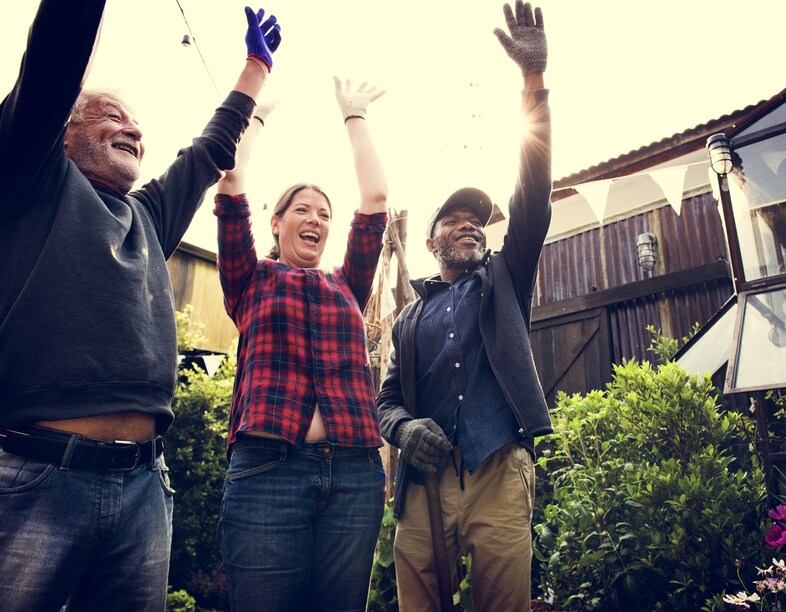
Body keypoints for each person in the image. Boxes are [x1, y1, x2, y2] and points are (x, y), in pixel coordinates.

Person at [0, 1, 281, 610]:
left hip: (142, 488)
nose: (133, 129)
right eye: (110, 116)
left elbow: (206, 154)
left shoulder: (146, 217)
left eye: (136, 123)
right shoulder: (28, 179)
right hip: (37, 477)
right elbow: (52, 61)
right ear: (63, 131)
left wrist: (255, 69)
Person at [376, 2, 553, 610]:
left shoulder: (507, 277)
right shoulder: (407, 318)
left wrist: (532, 85)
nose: (470, 227)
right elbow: (386, 402)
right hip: (425, 487)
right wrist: (402, 429)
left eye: (477, 221)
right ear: (432, 242)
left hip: (499, 472)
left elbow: (533, 194)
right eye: (455, 221)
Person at [213, 77, 389, 612]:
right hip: (268, 470)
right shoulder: (250, 279)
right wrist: (252, 119)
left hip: (354, 474)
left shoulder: (347, 285)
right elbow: (229, 185)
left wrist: (353, 115)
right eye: (303, 210)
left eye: (324, 214)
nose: (315, 219)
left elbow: (376, 201)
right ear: (277, 221)